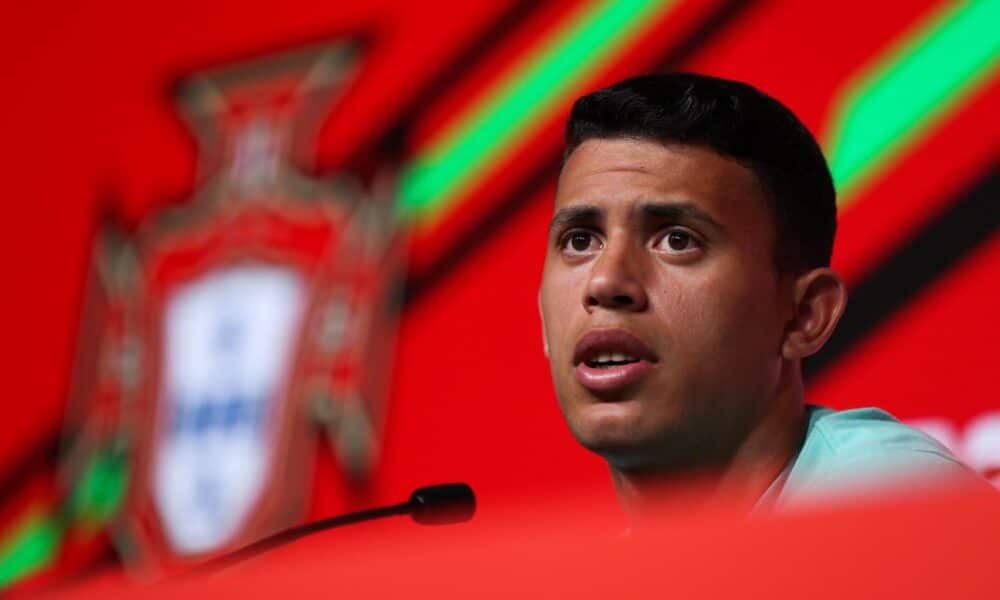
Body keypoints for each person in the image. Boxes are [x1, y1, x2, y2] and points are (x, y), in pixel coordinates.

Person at [537, 73, 988, 516]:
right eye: (580, 241)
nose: (606, 283)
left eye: (677, 240)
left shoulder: (884, 498)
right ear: (542, 318)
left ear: (804, 315)